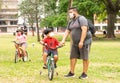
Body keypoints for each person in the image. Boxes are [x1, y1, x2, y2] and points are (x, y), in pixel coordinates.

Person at [61, 7, 92, 79]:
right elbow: (67, 31)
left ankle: (84, 74)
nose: (70, 14)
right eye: (69, 13)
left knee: (85, 57)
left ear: (75, 12)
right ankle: (71, 72)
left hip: (85, 41)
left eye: (71, 12)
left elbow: (84, 30)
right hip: (74, 42)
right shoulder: (71, 21)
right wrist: (63, 40)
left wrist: (81, 41)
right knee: (72, 56)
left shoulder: (81, 19)